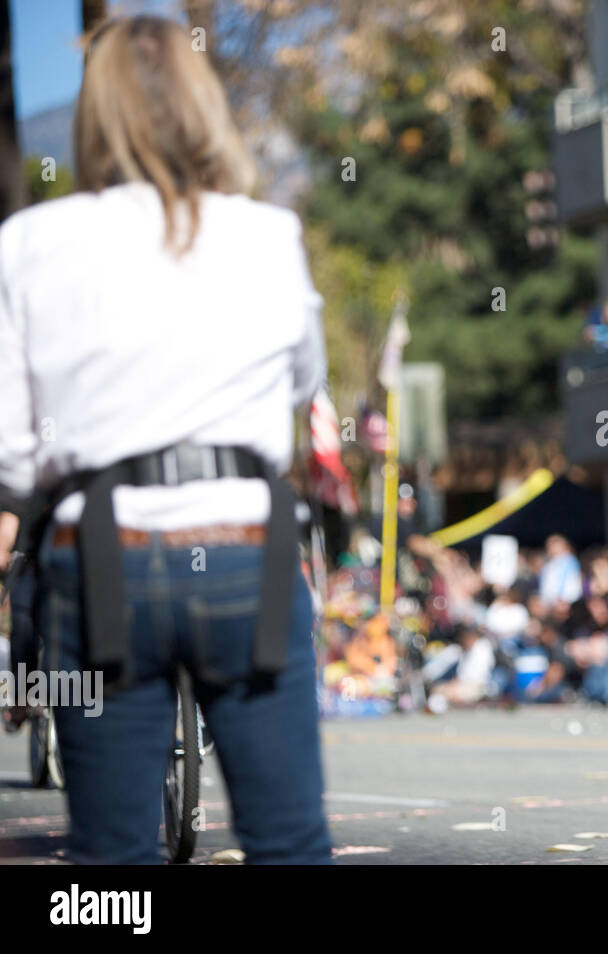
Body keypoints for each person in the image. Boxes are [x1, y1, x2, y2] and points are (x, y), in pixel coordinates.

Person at [0, 15, 332, 862]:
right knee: (289, 839)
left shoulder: (30, 243)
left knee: (110, 854)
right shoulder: (267, 234)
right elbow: (302, 388)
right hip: (244, 543)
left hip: (103, 551)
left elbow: (12, 446)